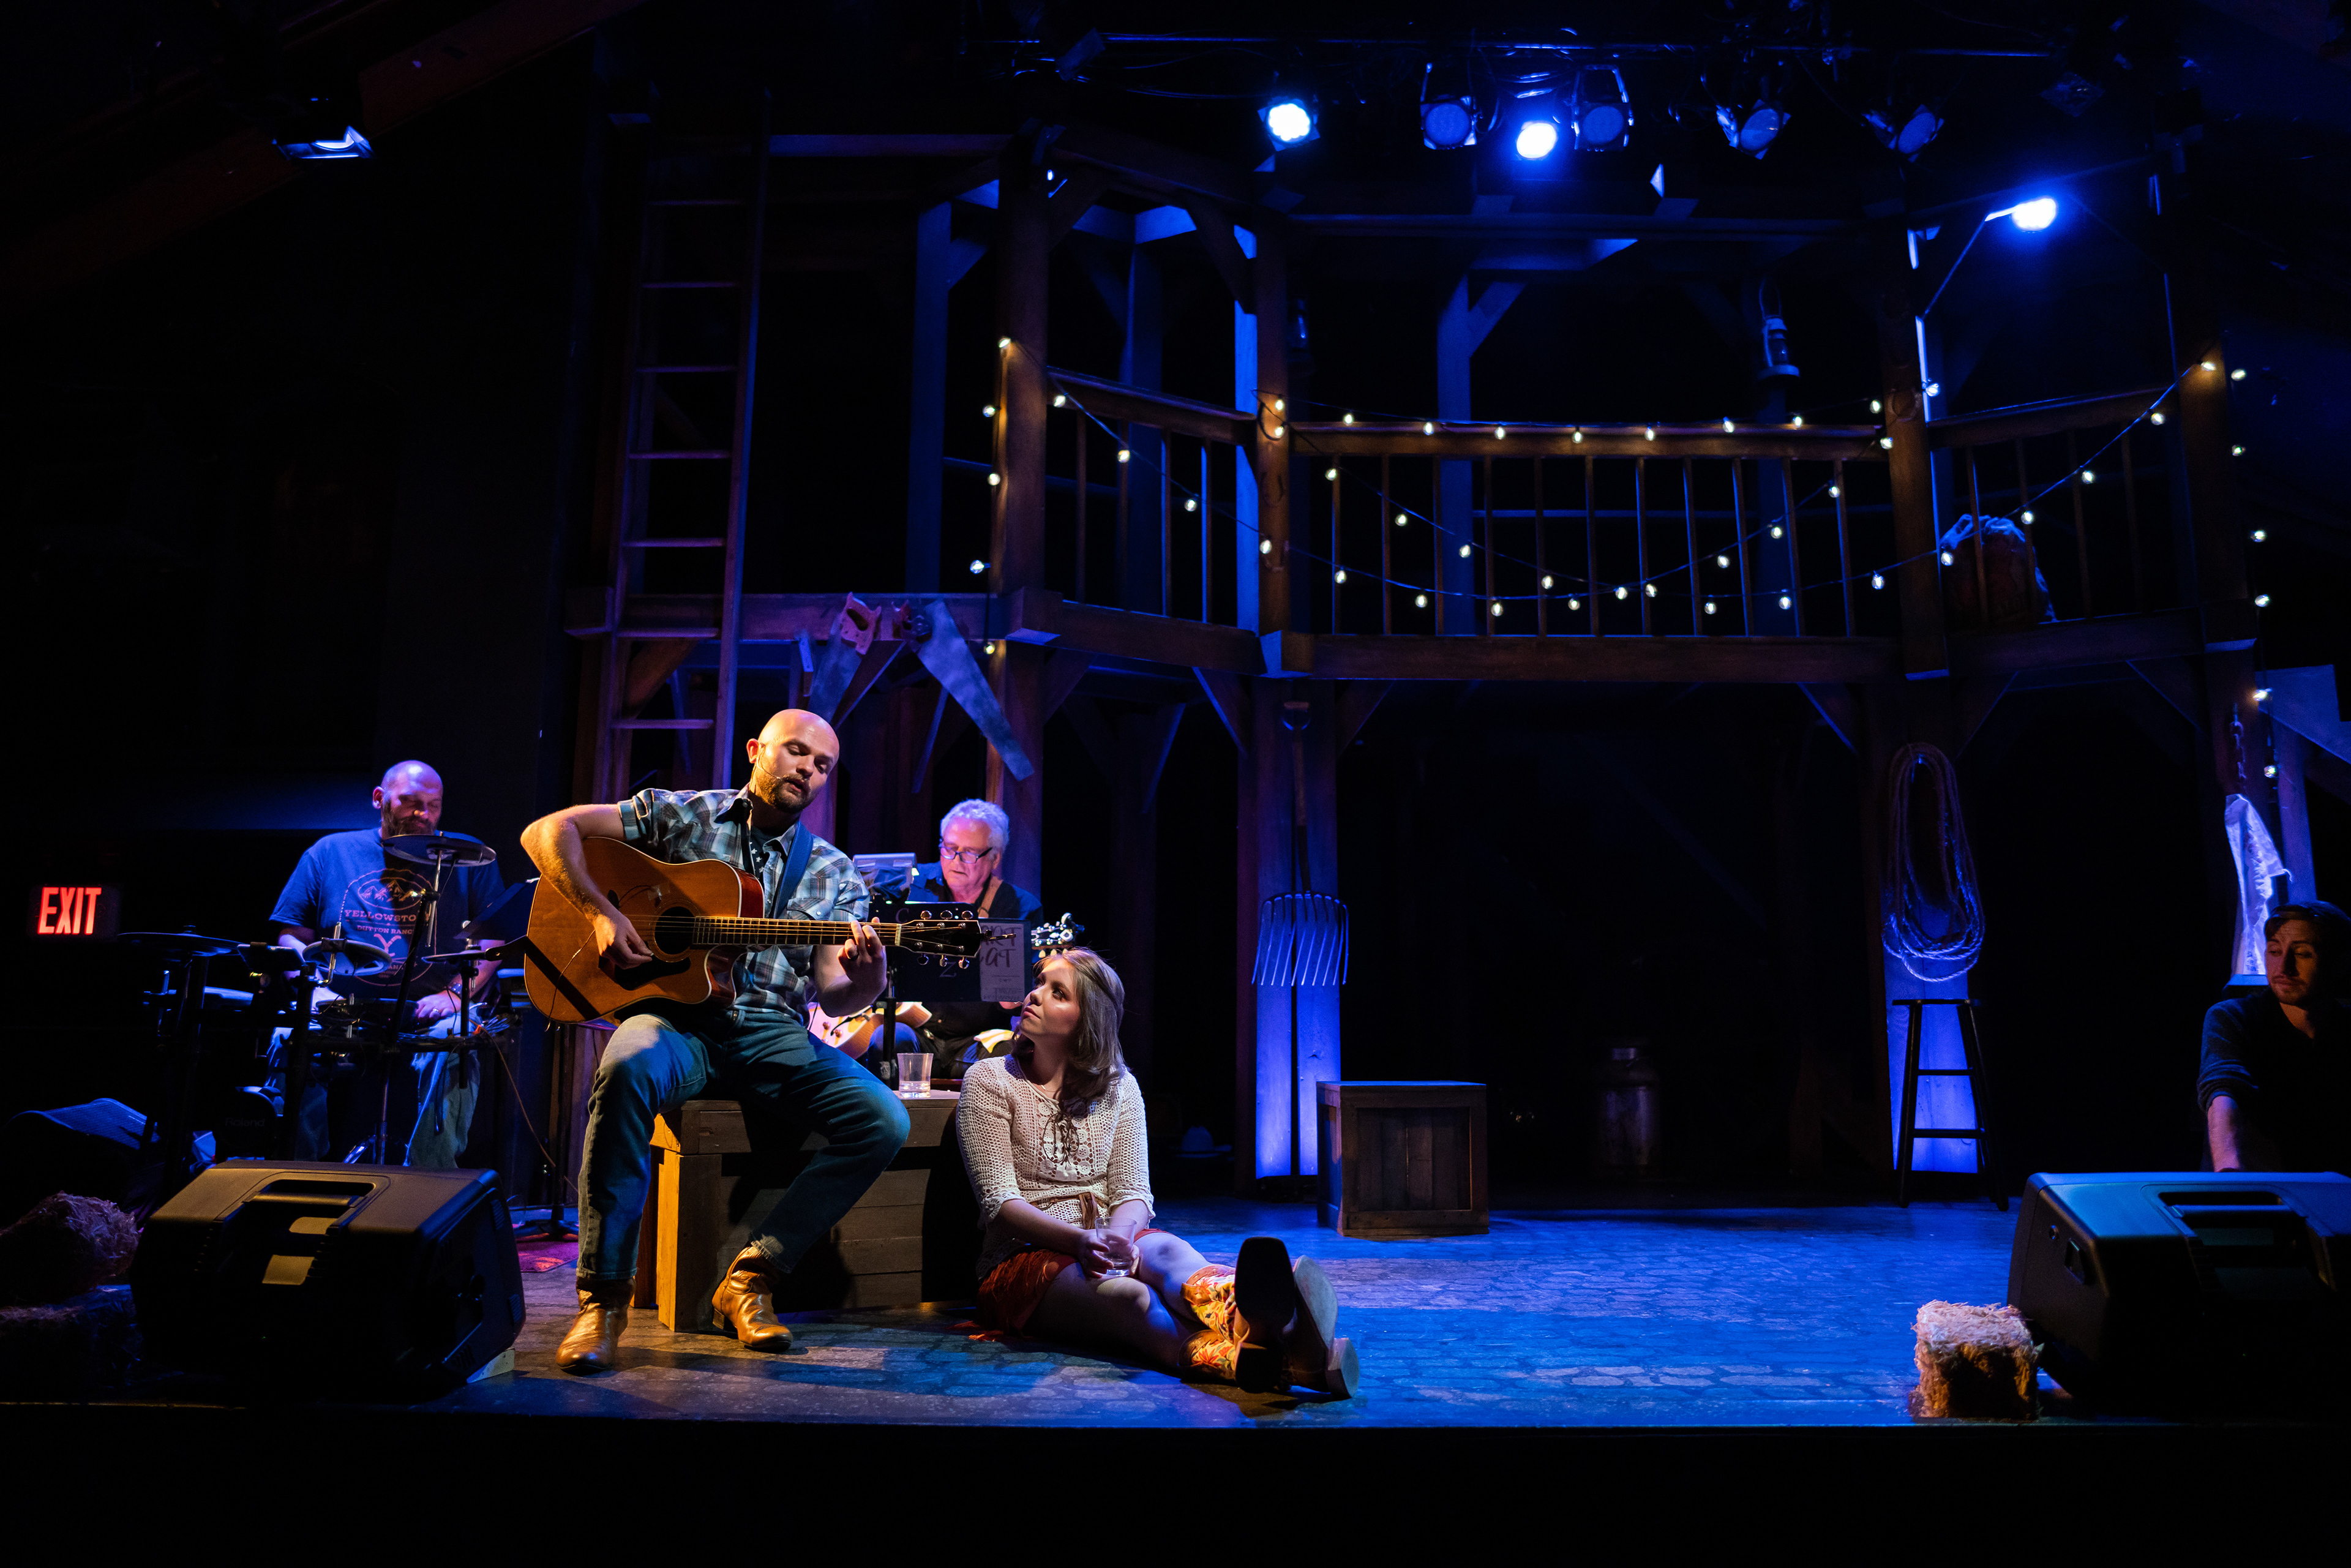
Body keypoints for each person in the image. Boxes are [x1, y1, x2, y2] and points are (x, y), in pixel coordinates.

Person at [522, 709, 907, 1372]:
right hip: (677, 1023)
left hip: (771, 1033)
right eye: (795, 752)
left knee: (884, 1118)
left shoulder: (834, 871)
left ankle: (752, 1277)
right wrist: (603, 913)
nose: (808, 770)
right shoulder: (685, 816)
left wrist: (866, 982)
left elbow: (832, 992)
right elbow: (546, 830)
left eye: (822, 765)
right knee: (626, 1065)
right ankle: (604, 1298)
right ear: (757, 750)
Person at [956, 946, 1357, 1397]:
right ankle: (1258, 1357)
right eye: (1040, 984)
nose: (1034, 995)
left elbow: (1133, 1193)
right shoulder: (991, 1079)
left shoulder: (1120, 1087)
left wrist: (1121, 1241)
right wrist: (1081, 1241)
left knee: (1168, 1250)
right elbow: (999, 1203)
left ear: (1087, 1020)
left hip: (1105, 1241)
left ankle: (1264, 1327)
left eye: (1058, 992)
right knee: (1130, 1296)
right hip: (1021, 1260)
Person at [269, 760, 504, 1167]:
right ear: (380, 799)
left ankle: (429, 1184)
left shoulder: (467, 860)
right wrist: (314, 987)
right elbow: (291, 935)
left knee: (458, 1040)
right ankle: (295, 1171)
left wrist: (455, 994)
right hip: (341, 1005)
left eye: (433, 805)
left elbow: (492, 939)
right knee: (287, 1037)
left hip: (426, 1008)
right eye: (411, 802)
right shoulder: (330, 852)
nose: (424, 814)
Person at [2200, 901, 2351, 1175]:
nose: (2284, 966)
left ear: (2340, 963)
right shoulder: (2235, 1017)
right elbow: (2224, 1090)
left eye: (2303, 953)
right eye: (2274, 951)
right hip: (2257, 1198)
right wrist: (2231, 1177)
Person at [902, 798, 1043, 1068]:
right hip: (913, 1029)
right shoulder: (911, 888)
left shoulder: (1021, 908)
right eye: (949, 848)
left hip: (976, 1039)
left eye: (969, 853)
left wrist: (1013, 998)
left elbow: (1027, 995)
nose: (955, 860)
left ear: (995, 857)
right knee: (885, 1040)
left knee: (1007, 1054)